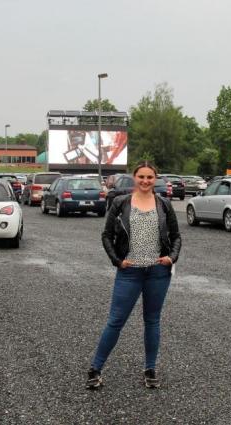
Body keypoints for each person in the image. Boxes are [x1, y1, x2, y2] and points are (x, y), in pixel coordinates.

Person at [87, 161, 182, 389]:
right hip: (129, 273)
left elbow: (177, 236)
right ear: (134, 177)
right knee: (115, 321)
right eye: (141, 177)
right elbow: (106, 235)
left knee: (152, 321)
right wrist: (117, 261)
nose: (146, 181)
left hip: (158, 272)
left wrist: (172, 257)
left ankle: (150, 369)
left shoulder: (164, 204)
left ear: (155, 178)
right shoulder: (120, 203)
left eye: (150, 177)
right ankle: (95, 369)